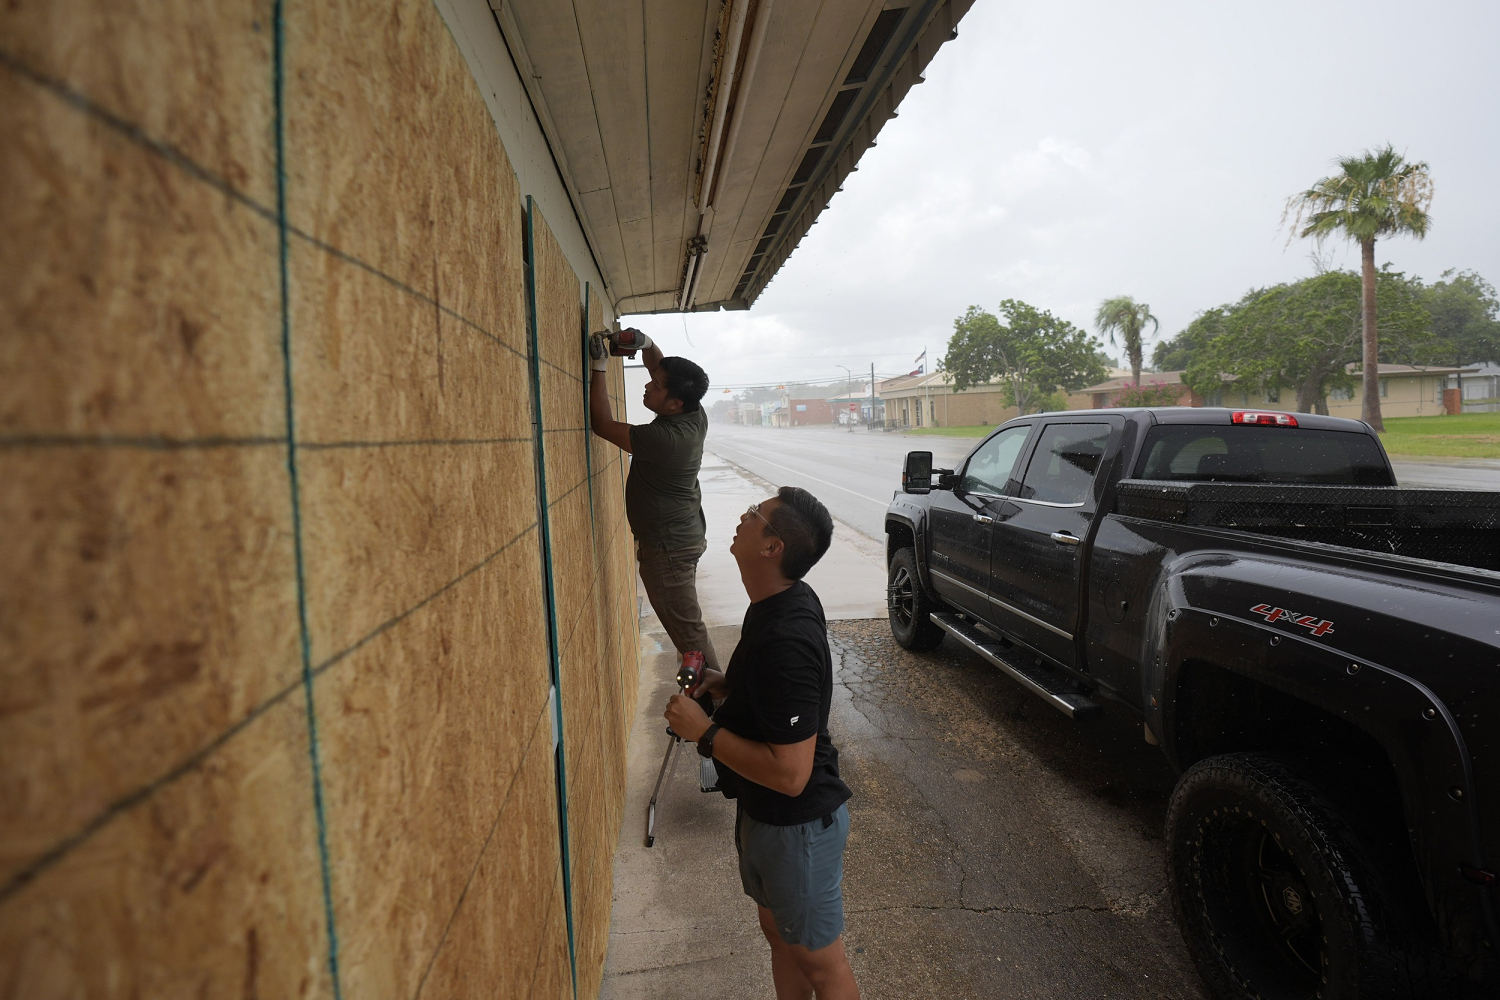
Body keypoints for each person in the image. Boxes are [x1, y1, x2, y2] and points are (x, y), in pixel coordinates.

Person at [665, 486, 860, 1000]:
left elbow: (791, 775)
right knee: (780, 938)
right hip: (763, 815)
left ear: (772, 546)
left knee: (822, 965)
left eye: (754, 514)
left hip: (797, 829)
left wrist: (704, 732)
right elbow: (774, 693)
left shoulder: (787, 638)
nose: (743, 516)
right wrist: (728, 684)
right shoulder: (773, 602)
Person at [587, 328, 720, 673]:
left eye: (656, 386)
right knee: (687, 635)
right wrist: (644, 343)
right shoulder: (693, 412)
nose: (648, 384)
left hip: (668, 552)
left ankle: (721, 709)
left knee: (691, 639)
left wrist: (599, 366)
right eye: (653, 380)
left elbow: (602, 424)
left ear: (675, 403)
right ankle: (709, 701)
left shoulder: (665, 438)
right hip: (679, 539)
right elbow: (658, 363)